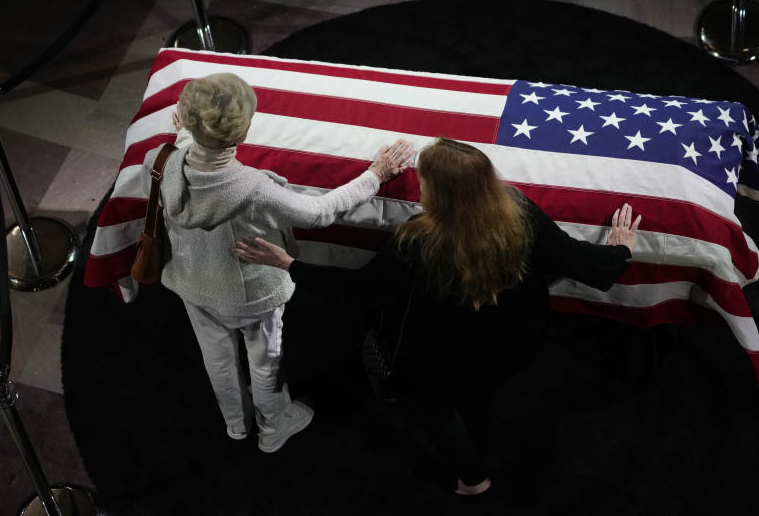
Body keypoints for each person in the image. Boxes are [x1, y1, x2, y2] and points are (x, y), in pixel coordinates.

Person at [232, 136, 640, 492]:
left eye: (423, 181)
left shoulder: (419, 239)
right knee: (480, 389)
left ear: (439, 195)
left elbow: (358, 295)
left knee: (435, 407)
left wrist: (289, 263)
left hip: (442, 362)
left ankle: (472, 480)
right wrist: (620, 249)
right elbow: (588, 266)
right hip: (516, 342)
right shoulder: (519, 210)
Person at [142, 72, 412, 453]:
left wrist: (186, 135)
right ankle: (275, 426)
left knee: (216, 360)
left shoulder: (158, 161)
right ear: (241, 134)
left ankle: (236, 425)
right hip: (250, 294)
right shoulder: (253, 188)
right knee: (265, 360)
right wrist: (375, 175)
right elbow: (318, 212)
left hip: (191, 282)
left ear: (187, 121)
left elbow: (188, 165)